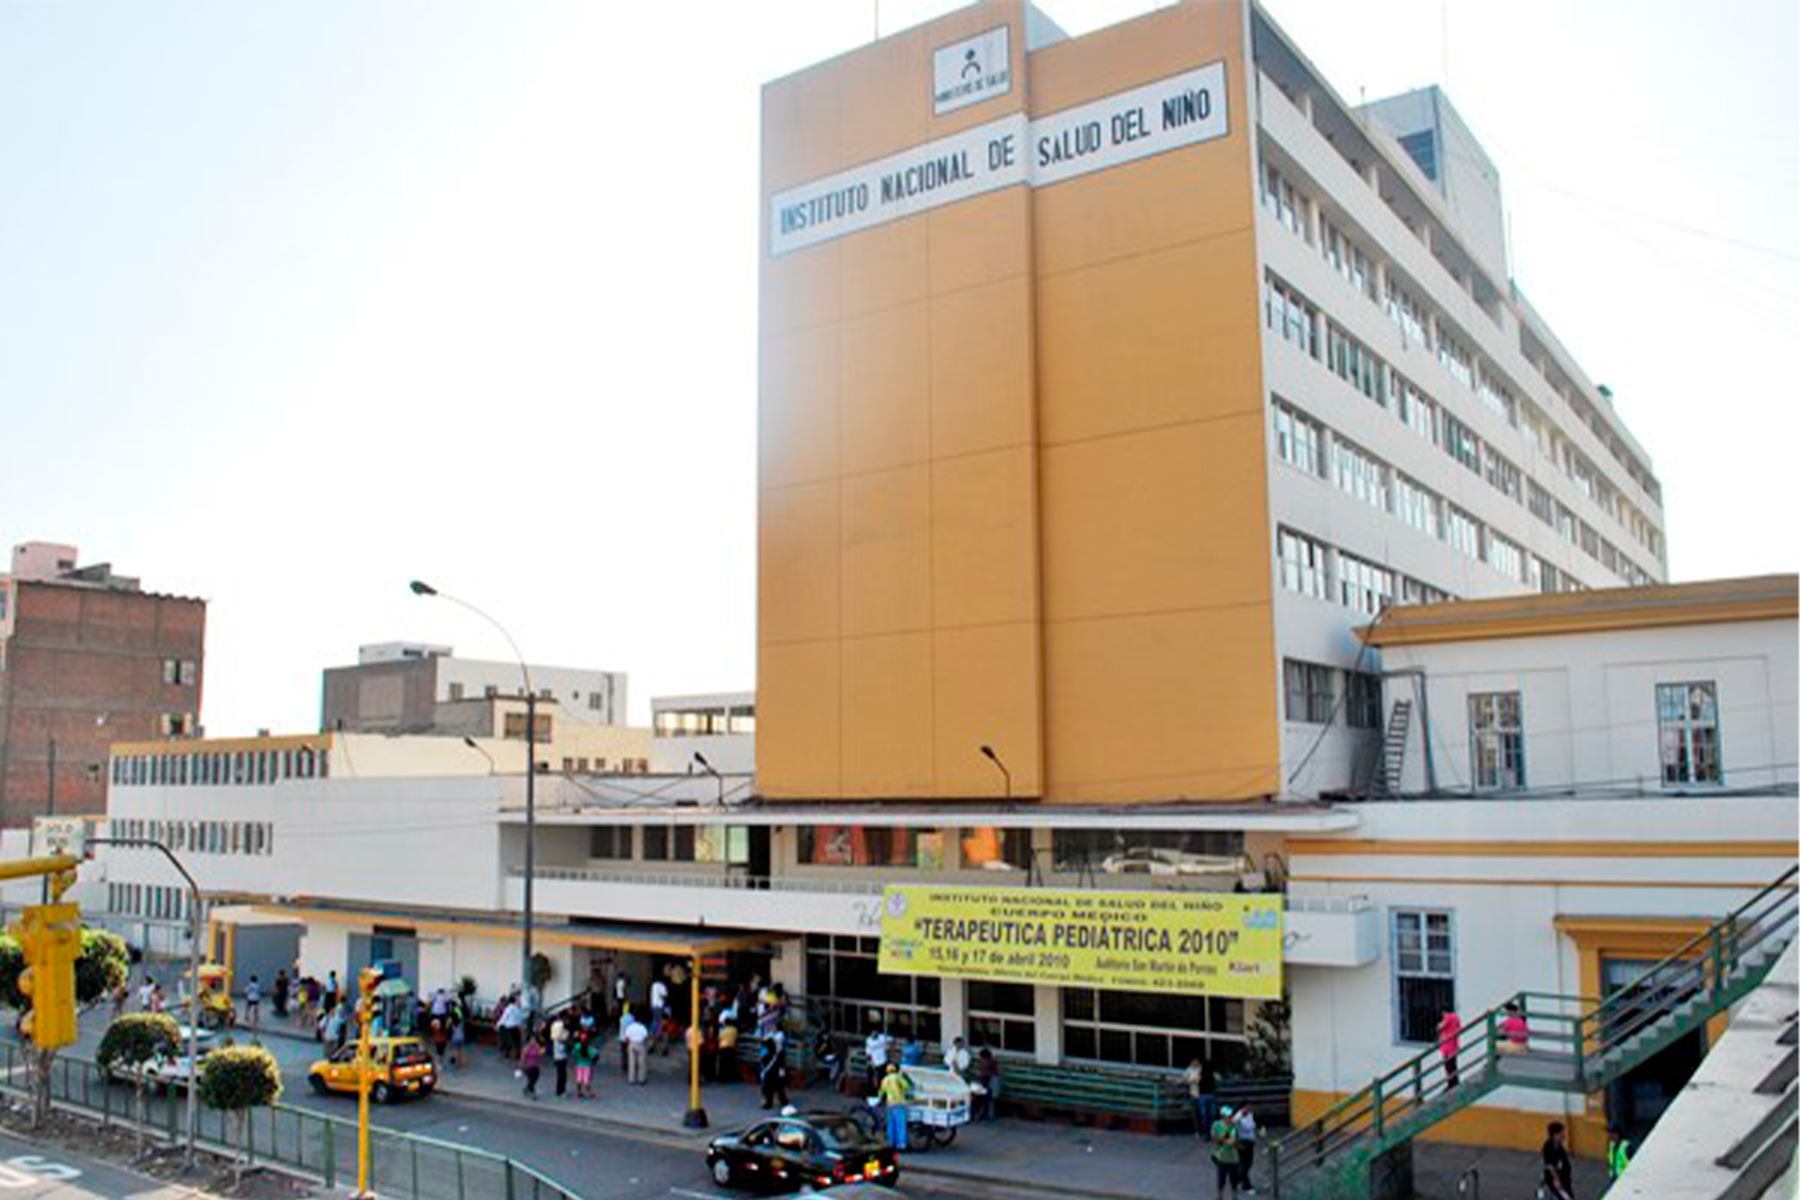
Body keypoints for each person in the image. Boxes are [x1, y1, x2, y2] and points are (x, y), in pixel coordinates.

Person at [877, 1063, 912, 1151]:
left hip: (890, 1104)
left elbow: (881, 1091)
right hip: (899, 1104)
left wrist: (879, 1099)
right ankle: (901, 1145)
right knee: (900, 1125)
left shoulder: (885, 1079)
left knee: (891, 1125)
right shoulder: (898, 1077)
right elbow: (907, 1086)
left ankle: (891, 1143)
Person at [1210, 1104, 1242, 1200]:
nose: (1229, 1118)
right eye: (1228, 1116)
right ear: (1223, 1116)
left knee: (1234, 1179)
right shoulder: (1216, 1125)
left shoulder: (1235, 1127)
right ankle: (1220, 1196)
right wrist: (1227, 1132)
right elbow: (1216, 1140)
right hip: (1222, 1157)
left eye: (1230, 1116)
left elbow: (1238, 1142)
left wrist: (1235, 1143)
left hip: (1234, 1157)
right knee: (1221, 1178)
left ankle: (1234, 1196)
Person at [1540, 1122, 1575, 1199]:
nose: (1564, 1136)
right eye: (1561, 1134)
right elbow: (1549, 1165)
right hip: (1555, 1179)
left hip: (1564, 1179)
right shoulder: (1548, 1147)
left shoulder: (1559, 1146)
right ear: (1555, 1135)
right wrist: (1556, 1179)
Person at [1186, 1057, 1217, 1140]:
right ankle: (1211, 1132)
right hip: (1210, 1095)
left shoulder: (1201, 1074)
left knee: (1204, 1115)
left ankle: (1205, 1133)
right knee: (1211, 1115)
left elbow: (1194, 1082)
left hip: (1202, 1096)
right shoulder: (1211, 1074)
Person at [759, 1027, 789, 1109]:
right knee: (776, 1087)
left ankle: (772, 1102)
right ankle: (780, 1101)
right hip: (773, 1070)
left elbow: (762, 1058)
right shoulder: (777, 1051)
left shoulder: (768, 1050)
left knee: (772, 1087)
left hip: (770, 1070)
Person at [1234, 1105, 1259, 1195]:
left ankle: (1238, 1179)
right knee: (1244, 1164)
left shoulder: (1250, 1115)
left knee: (1248, 1163)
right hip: (1242, 1141)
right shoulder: (1237, 1117)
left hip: (1250, 1142)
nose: (1247, 1109)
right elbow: (1234, 1128)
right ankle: (1247, 1185)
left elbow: (1254, 1125)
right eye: (1245, 1108)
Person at [972, 1048, 1000, 1121]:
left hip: (989, 1083)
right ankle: (977, 1112)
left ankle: (983, 1113)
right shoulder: (982, 1061)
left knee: (985, 1096)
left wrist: (982, 1073)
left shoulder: (992, 1062)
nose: (981, 1058)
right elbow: (979, 1070)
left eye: (982, 1057)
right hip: (982, 1081)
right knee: (976, 1093)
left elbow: (994, 1073)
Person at [1437, 1010, 1462, 1087]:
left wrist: (1439, 1026)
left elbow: (1440, 1027)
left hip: (1447, 1046)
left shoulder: (1447, 1017)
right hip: (1454, 1044)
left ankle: (1450, 1084)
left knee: (1448, 1066)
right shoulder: (1456, 1017)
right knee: (1453, 1064)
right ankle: (1455, 1081)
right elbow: (1459, 1027)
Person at [573, 1029, 600, 1099]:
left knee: (579, 1080)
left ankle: (579, 1092)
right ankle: (590, 1093)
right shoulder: (589, 1048)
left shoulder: (577, 1046)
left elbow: (573, 1053)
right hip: (587, 1065)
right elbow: (596, 1055)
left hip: (579, 1065)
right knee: (586, 1080)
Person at [625, 1011, 650, 1085]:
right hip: (640, 1044)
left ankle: (631, 1079)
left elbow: (627, 1037)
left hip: (631, 1044)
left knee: (631, 1062)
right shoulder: (643, 1027)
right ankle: (641, 1080)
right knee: (642, 1063)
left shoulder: (630, 1027)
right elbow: (646, 1037)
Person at [550, 1015, 570, 1097]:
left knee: (562, 1075)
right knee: (562, 1075)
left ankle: (561, 1090)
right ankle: (560, 1091)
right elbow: (563, 1049)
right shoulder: (558, 1042)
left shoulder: (556, 1040)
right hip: (560, 1059)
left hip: (559, 1058)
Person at [520, 1033, 544, 1100]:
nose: (533, 1041)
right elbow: (523, 1057)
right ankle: (533, 1093)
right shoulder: (526, 1048)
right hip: (528, 1066)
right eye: (532, 1040)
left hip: (535, 1066)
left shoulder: (537, 1046)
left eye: (534, 1040)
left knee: (536, 1078)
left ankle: (527, 1089)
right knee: (531, 1080)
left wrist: (541, 1053)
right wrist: (521, 1066)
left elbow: (539, 1054)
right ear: (529, 1041)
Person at [718, 1013, 740, 1083]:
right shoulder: (734, 1030)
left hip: (722, 1047)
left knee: (722, 1064)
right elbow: (736, 1038)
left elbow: (719, 1038)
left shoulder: (723, 1030)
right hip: (731, 1048)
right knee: (729, 1063)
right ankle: (728, 1077)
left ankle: (722, 1078)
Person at [650, 976, 669, 1048]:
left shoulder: (653, 985)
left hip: (653, 1005)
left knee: (654, 1020)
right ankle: (659, 1034)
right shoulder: (662, 986)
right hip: (659, 1006)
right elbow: (664, 996)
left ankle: (654, 1033)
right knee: (660, 1021)